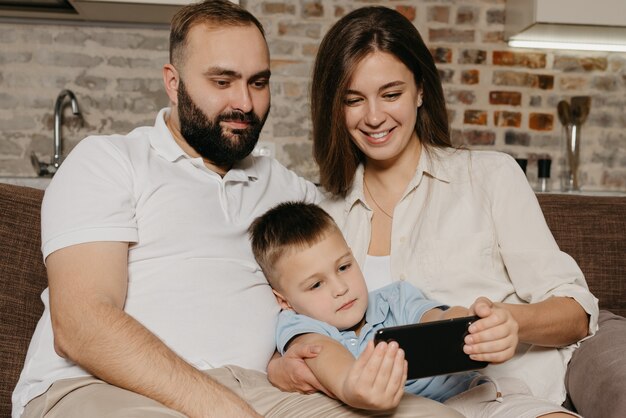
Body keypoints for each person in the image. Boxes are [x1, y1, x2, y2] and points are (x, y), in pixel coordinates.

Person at [11, 1, 465, 417]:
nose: (244, 103)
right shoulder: (108, 161)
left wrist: (283, 365)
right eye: (222, 81)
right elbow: (82, 324)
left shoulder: (288, 189)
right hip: (102, 387)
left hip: (259, 390)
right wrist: (224, 408)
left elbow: (329, 297)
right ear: (173, 82)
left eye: (258, 83)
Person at [268, 5, 625, 418]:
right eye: (354, 100)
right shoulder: (321, 216)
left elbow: (578, 314)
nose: (374, 117)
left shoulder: (489, 176)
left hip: (497, 397)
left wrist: (511, 322)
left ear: (420, 90)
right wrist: (280, 366)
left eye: (391, 94)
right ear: (335, 106)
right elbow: (294, 323)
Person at [250, 201, 578, 418]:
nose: (340, 287)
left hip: (478, 397)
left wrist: (474, 324)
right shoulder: (298, 325)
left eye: (344, 267)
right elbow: (322, 354)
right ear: (284, 300)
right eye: (316, 285)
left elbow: (435, 318)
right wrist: (352, 384)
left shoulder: (395, 298)